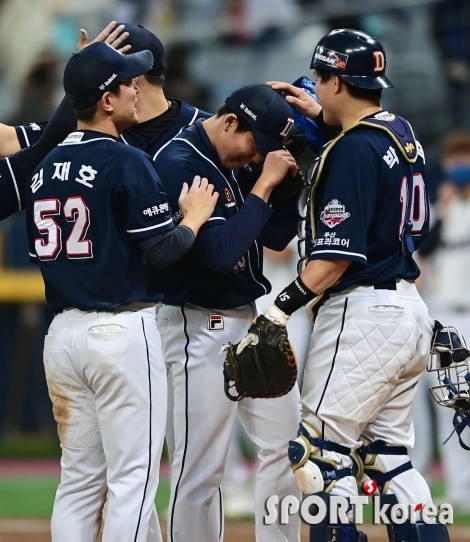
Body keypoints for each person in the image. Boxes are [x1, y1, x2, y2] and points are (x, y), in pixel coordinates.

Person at [238, 29, 451, 541]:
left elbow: (333, 259)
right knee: (388, 461)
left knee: (318, 455)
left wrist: (277, 310)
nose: (314, 87)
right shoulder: (401, 132)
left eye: (319, 79)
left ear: (335, 80)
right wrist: (317, 116)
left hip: (361, 315)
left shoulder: (353, 150)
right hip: (404, 310)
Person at [24, 42, 218, 542]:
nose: (138, 90)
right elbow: (164, 251)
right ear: (106, 100)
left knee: (79, 482)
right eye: (128, 84)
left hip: (63, 335)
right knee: (133, 479)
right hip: (121, 331)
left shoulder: (43, 167)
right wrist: (194, 218)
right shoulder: (126, 160)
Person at [153, 84, 302, 542]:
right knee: (199, 467)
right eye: (256, 145)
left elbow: (276, 239)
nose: (258, 157)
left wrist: (287, 186)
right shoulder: (181, 160)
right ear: (231, 121)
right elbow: (219, 251)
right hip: (195, 322)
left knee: (289, 447)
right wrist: (263, 184)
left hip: (247, 318)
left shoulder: (240, 162)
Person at [417, 130, 470, 511]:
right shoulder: (439, 206)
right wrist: (446, 209)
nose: (459, 166)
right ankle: (456, 488)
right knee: (447, 404)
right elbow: (425, 252)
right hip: (442, 317)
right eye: (454, 160)